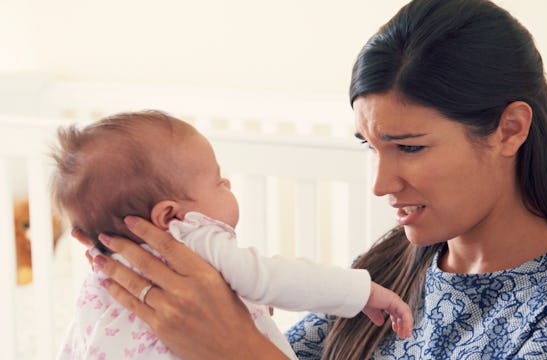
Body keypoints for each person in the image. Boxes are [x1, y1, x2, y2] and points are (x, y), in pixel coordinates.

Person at [76, 0, 547, 359]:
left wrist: (239, 351)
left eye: (410, 147)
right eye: (369, 146)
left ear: (510, 130)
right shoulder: (394, 264)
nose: (379, 184)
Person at [52, 111, 414, 359]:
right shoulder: (192, 233)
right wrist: (361, 291)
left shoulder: (106, 274)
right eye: (217, 180)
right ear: (169, 215)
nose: (226, 184)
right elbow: (276, 278)